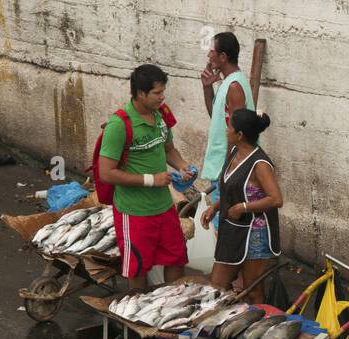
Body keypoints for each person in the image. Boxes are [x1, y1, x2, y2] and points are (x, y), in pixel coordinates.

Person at [98, 64, 196, 289]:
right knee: (138, 268)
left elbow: (168, 149)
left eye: (163, 92)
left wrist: (182, 167)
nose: (162, 97)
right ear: (141, 93)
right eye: (157, 93)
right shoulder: (119, 125)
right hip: (134, 212)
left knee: (176, 257)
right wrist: (151, 180)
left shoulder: (160, 115)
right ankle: (137, 316)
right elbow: (106, 173)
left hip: (163, 207)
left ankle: (171, 304)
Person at [201, 110, 281, 303]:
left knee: (253, 290)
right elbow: (231, 188)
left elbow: (276, 199)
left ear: (240, 135)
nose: (226, 130)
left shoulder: (260, 164)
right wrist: (216, 207)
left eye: (230, 126)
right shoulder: (234, 151)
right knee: (217, 286)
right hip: (232, 229)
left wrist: (243, 207)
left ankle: (258, 325)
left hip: (256, 234)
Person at [199, 31, 253, 204]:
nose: (208, 55)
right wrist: (207, 88)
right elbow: (217, 117)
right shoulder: (228, 82)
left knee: (223, 223)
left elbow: (237, 131)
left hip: (227, 166)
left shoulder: (235, 86)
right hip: (223, 165)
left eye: (212, 51)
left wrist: (227, 170)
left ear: (222, 57)